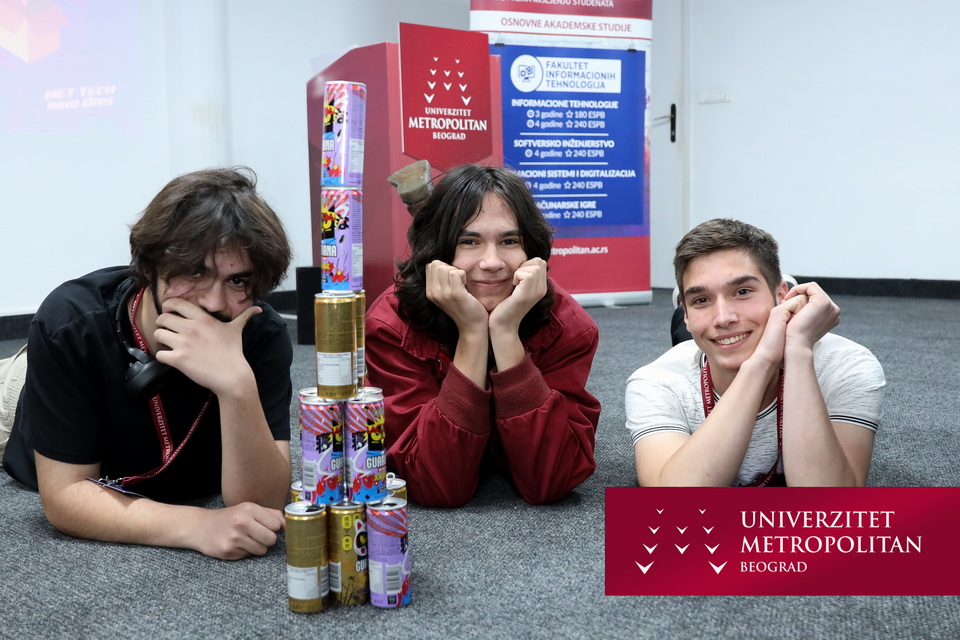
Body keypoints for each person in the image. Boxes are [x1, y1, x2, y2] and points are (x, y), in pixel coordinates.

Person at [2, 167, 294, 560]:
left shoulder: (261, 333)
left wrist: (236, 383)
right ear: (148, 267)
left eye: (238, 281)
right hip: (22, 393)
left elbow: (262, 506)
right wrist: (199, 525)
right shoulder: (69, 326)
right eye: (195, 272)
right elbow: (66, 495)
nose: (214, 303)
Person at [365, 164, 601, 508]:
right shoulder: (393, 324)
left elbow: (551, 480)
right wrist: (473, 332)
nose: (492, 262)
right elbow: (437, 484)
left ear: (532, 254)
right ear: (438, 251)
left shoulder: (568, 326)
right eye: (469, 241)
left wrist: (505, 332)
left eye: (509, 241)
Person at [625, 218, 885, 487]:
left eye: (742, 291)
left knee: (725, 333)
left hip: (753, 331)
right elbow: (672, 502)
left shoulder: (847, 365)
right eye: (701, 299)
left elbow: (831, 504)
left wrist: (797, 347)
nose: (723, 317)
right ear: (686, 315)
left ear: (782, 296)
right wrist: (762, 361)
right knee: (716, 336)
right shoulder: (655, 381)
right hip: (704, 346)